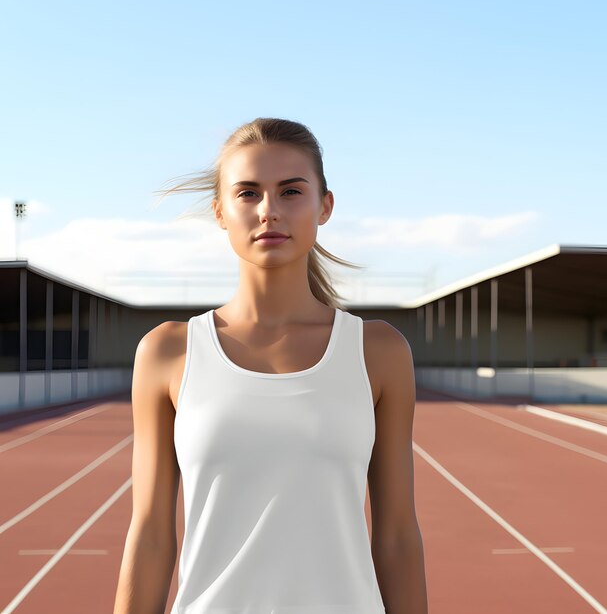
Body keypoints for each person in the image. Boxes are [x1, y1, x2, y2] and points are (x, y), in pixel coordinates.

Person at [113, 117, 428, 613]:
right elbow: (151, 535)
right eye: (247, 193)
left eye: (290, 191)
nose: (269, 211)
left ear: (324, 206)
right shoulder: (168, 352)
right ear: (219, 211)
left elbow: (397, 538)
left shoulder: (378, 352)